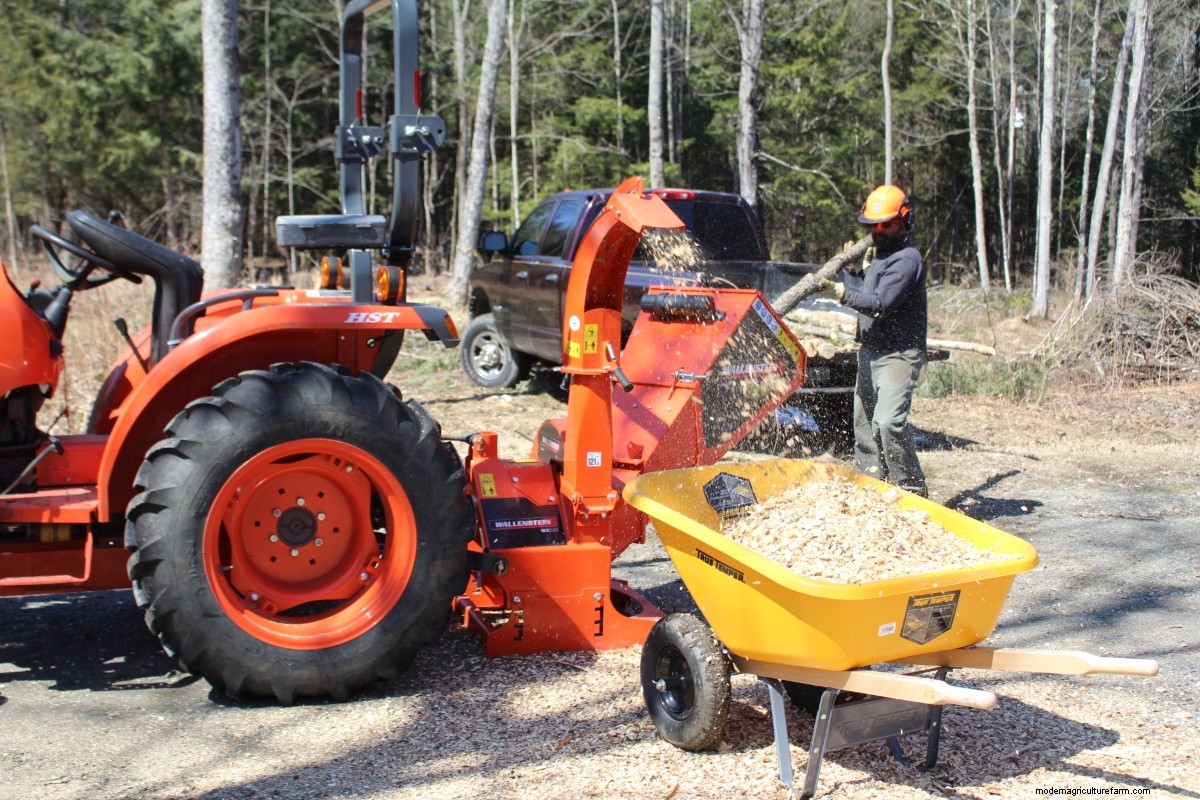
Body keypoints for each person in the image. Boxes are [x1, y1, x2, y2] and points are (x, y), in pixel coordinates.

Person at [820, 185, 928, 497]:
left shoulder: (907, 259)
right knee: (865, 423)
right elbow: (874, 288)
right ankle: (870, 486)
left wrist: (841, 292)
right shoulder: (881, 255)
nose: (877, 231)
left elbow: (880, 304)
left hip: (898, 353)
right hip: (871, 348)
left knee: (888, 422)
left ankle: (911, 490)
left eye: (886, 225)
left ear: (904, 221)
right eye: (873, 225)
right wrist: (860, 272)